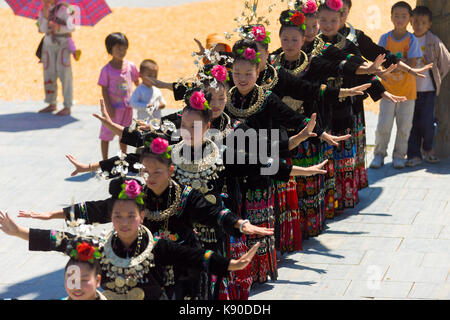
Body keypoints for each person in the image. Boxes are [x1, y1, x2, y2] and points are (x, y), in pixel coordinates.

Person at [1, 178, 261, 300]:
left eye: (130, 216)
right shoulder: (101, 247)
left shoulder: (157, 246)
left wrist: (231, 265)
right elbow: (61, 241)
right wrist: (18, 232)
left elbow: (194, 256)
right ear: (111, 217)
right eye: (117, 216)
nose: (124, 223)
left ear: (142, 215)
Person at [370, 2, 423, 169]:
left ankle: (399, 155)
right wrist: (402, 62)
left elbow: (413, 63)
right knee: (384, 125)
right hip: (387, 91)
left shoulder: (412, 39)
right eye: (396, 16)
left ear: (410, 19)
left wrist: (394, 63)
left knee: (404, 127)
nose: (400, 19)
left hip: (408, 92)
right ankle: (379, 154)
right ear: (391, 17)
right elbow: (380, 61)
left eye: (404, 16)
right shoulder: (385, 38)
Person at [406, 6, 450, 167]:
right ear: (411, 21)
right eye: (416, 21)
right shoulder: (408, 39)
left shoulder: (433, 41)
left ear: (429, 24)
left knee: (427, 122)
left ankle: (428, 148)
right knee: (411, 123)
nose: (418, 25)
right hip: (410, 90)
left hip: (429, 90)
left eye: (423, 22)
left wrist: (437, 76)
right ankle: (413, 154)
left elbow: (446, 61)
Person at [98, 32, 140, 160]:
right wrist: (108, 107)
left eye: (124, 48)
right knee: (106, 136)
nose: (122, 51)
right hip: (113, 110)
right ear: (110, 49)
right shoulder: (106, 70)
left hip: (127, 109)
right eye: (118, 48)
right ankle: (104, 161)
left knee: (124, 136)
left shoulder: (131, 67)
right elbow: (104, 89)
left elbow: (137, 82)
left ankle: (123, 159)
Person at [37, 0, 76, 116]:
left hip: (63, 44)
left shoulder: (66, 9)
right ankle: (51, 102)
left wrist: (58, 27)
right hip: (48, 44)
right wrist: (44, 16)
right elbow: (43, 29)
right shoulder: (43, 10)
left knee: (65, 73)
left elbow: (72, 27)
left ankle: (67, 105)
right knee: (48, 73)